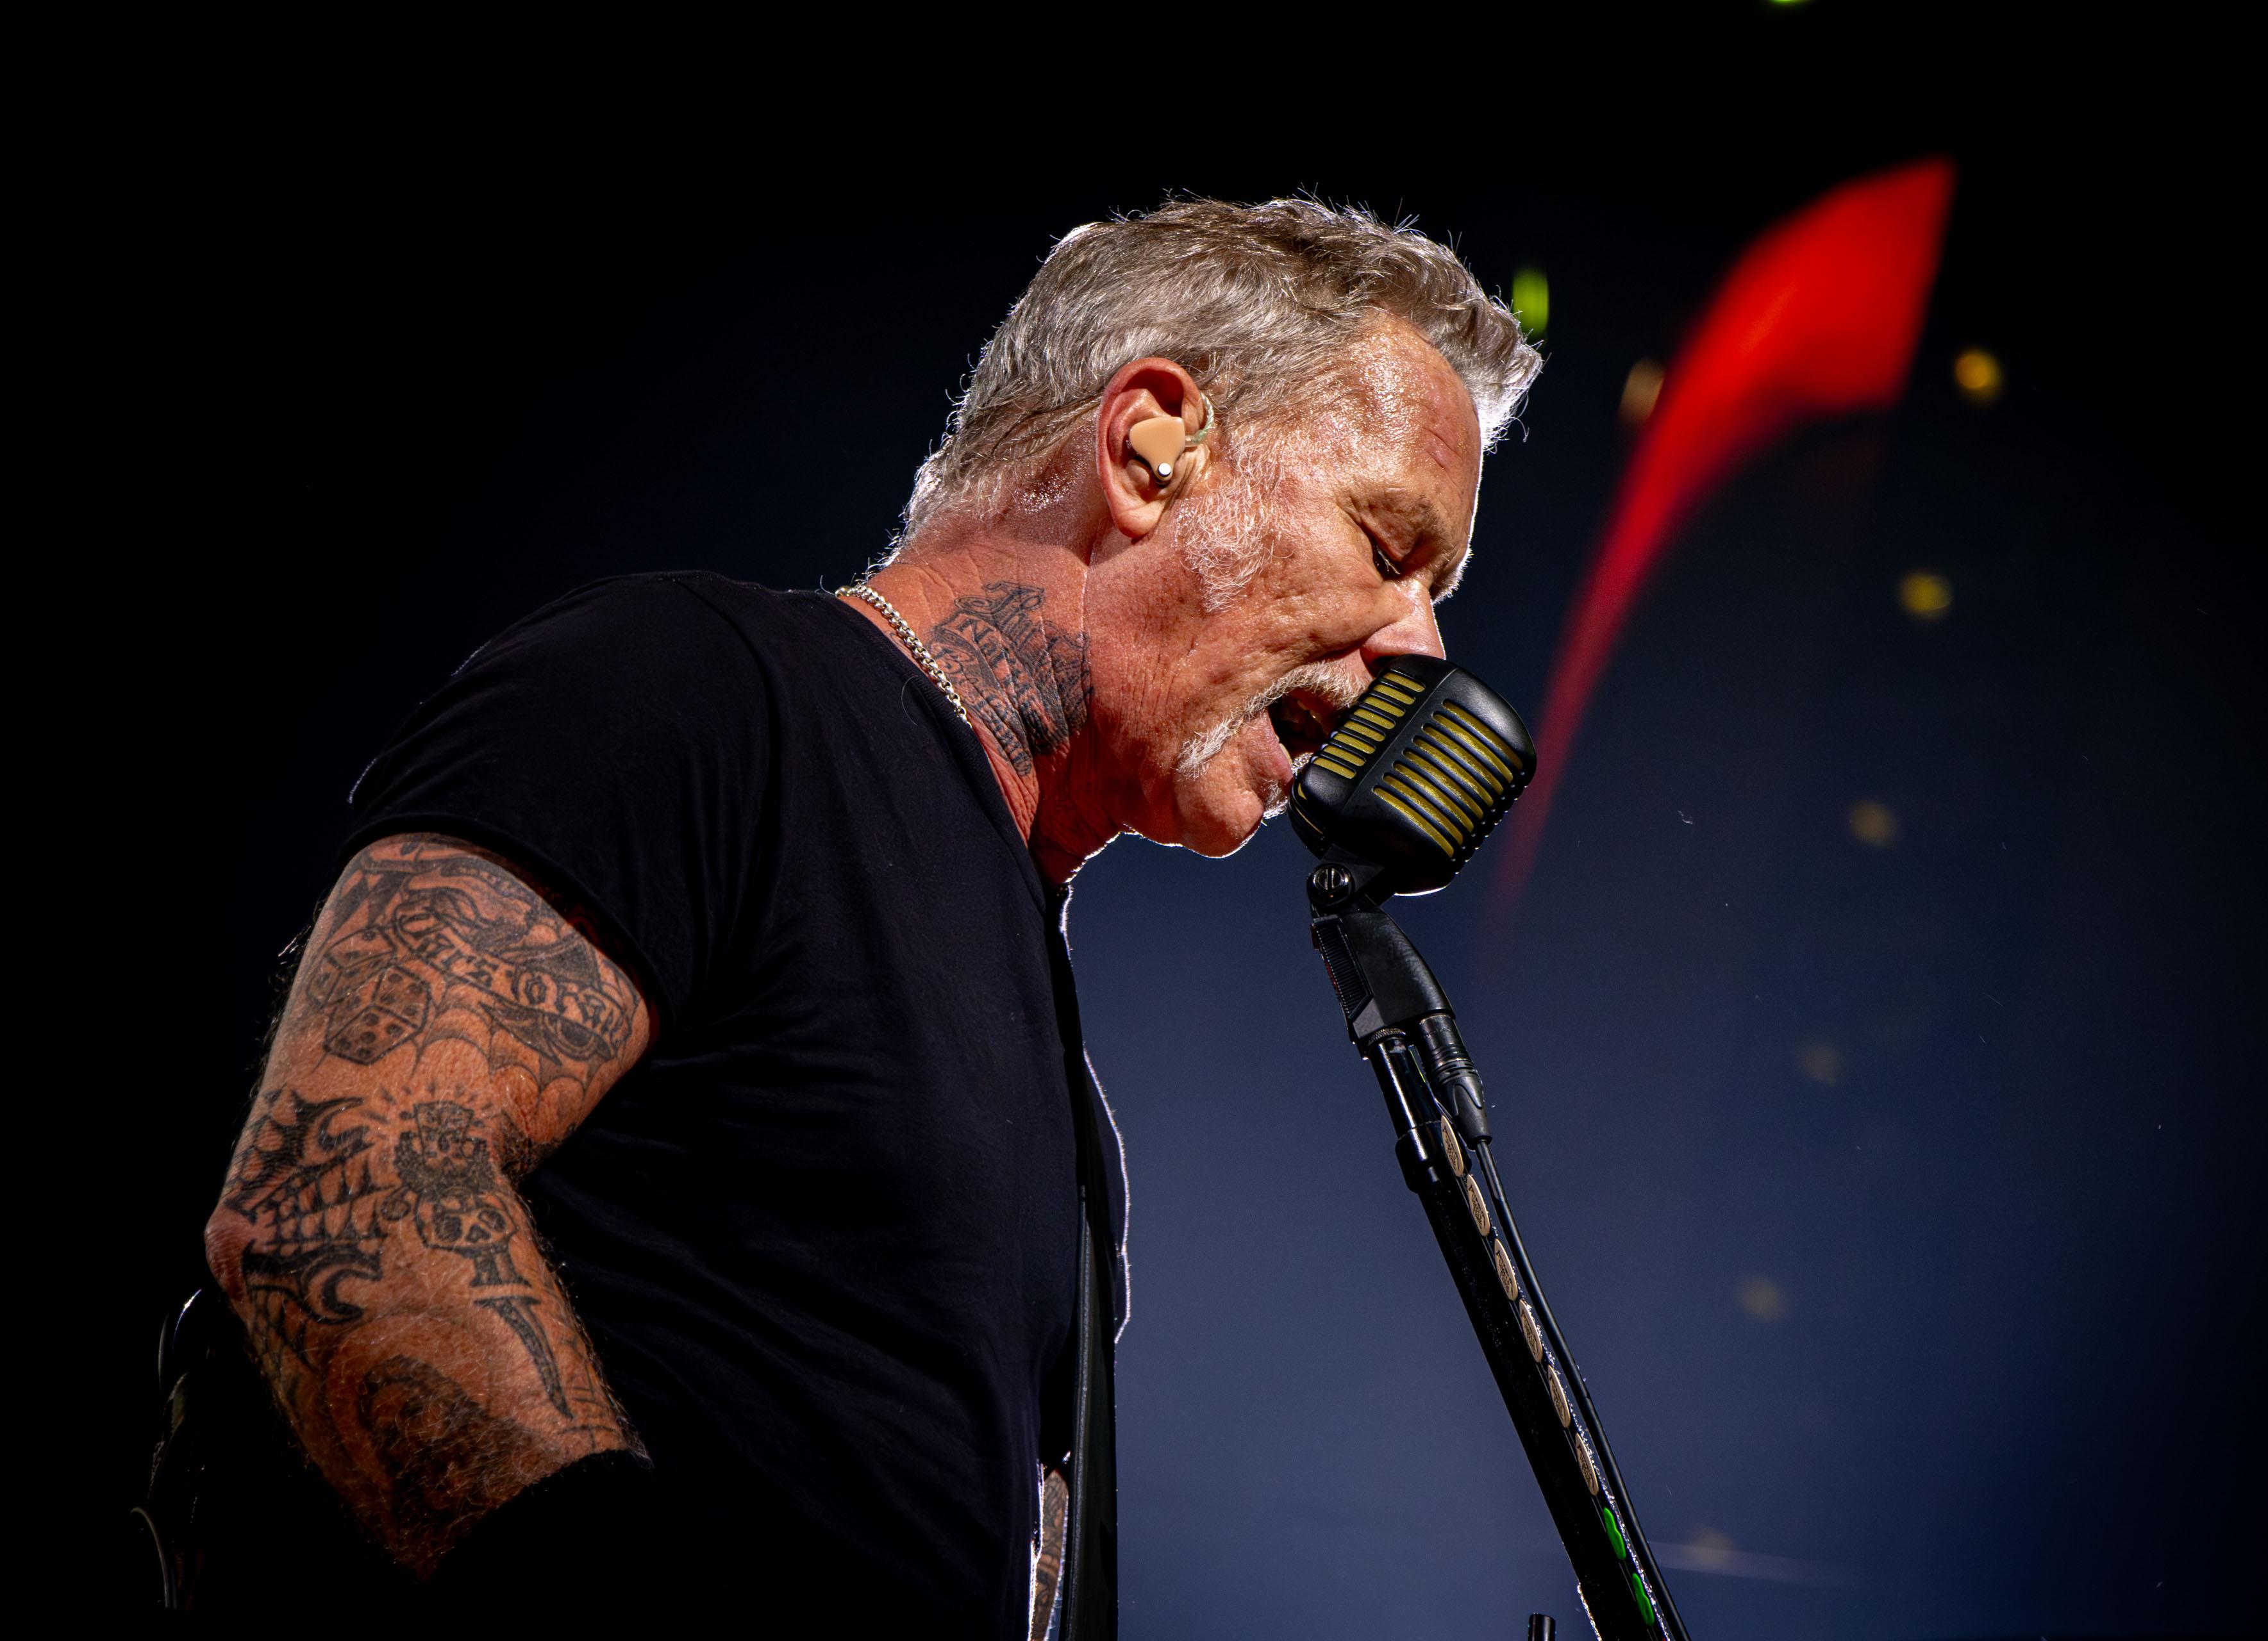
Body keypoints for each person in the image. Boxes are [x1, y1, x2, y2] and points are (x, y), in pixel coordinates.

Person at [197, 197, 1540, 1629]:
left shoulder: (1072, 1111)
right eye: (1388, 547)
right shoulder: (696, 691)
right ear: (1152, 447)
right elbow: (337, 1195)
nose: (1422, 648)